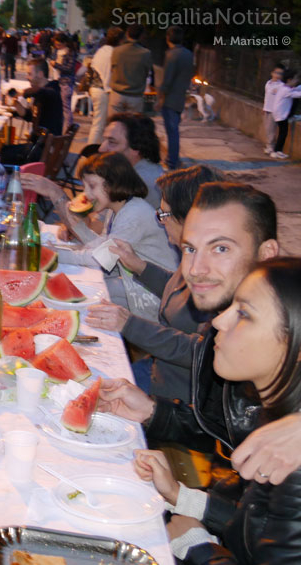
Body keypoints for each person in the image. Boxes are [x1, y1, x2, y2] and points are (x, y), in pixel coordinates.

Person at [131, 257, 301, 565]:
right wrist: (184, 498)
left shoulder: (289, 456)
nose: (219, 321)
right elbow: (256, 526)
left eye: (245, 314)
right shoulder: (276, 417)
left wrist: (196, 546)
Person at [96, 182, 280, 456]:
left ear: (266, 254)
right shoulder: (227, 314)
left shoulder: (282, 339)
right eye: (190, 249)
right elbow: (220, 429)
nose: (195, 269)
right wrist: (152, 410)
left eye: (221, 249)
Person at [86, 165, 225, 400]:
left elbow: (200, 351)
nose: (161, 222)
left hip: (181, 398)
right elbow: (179, 290)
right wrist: (139, 266)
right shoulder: (192, 254)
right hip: (157, 369)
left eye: (164, 215)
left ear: (190, 216)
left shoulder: (219, 272)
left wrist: (129, 324)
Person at [22, 152, 177, 321]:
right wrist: (71, 236)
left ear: (113, 183)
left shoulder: (134, 214)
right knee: (75, 288)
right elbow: (98, 244)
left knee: (84, 299)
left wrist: (54, 254)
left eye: (92, 186)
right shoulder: (118, 209)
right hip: (133, 282)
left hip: (151, 293)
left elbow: (101, 258)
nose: (86, 194)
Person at [0, 56, 63, 165]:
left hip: (42, 150)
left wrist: (22, 93)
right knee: (3, 149)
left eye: (29, 74)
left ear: (40, 74)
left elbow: (42, 92)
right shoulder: (42, 93)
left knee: (1, 154)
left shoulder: (52, 91)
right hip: (38, 146)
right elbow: (30, 116)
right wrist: (16, 103)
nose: (27, 77)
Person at [99, 112, 164, 208]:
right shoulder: (130, 173)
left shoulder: (139, 185)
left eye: (112, 142)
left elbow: (104, 222)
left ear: (135, 148)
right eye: (104, 140)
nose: (101, 148)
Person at [159, 27, 194, 170]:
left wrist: (160, 98)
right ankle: (173, 158)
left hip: (170, 99)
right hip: (180, 97)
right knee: (174, 130)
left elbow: (167, 80)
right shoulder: (188, 54)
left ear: (168, 38)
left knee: (171, 131)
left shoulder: (171, 55)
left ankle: (172, 161)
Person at [87, 26, 123, 145]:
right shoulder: (113, 53)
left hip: (94, 88)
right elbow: (109, 75)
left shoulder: (102, 50)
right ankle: (89, 153)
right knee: (98, 124)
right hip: (102, 90)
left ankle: (97, 150)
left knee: (99, 124)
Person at [108, 24, 152, 116]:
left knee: (114, 125)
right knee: (133, 127)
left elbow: (112, 69)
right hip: (135, 96)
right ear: (141, 36)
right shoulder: (146, 53)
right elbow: (146, 73)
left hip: (117, 94)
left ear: (127, 34)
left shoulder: (117, 51)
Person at [269, 69, 301, 160]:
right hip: (281, 116)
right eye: (295, 79)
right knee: (283, 134)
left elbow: (297, 89)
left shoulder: (284, 88)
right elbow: (298, 94)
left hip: (280, 115)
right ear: (289, 80)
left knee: (283, 133)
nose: (297, 81)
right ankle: (276, 151)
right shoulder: (285, 90)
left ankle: (278, 151)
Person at [49, 32, 76, 133]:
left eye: (59, 44)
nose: (57, 46)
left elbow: (69, 69)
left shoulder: (70, 52)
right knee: (57, 108)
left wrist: (56, 65)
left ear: (64, 42)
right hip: (56, 82)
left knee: (66, 109)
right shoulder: (56, 51)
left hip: (66, 83)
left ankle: (67, 131)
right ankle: (59, 130)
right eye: (55, 44)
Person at [261, 64, 285, 155]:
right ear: (272, 73)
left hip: (274, 110)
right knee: (267, 128)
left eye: (280, 73)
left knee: (271, 129)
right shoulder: (268, 83)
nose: (278, 75)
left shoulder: (281, 86)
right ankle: (269, 145)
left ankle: (271, 147)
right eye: (276, 72)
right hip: (267, 108)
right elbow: (266, 96)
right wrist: (264, 107)